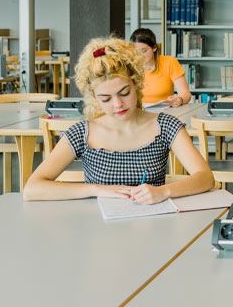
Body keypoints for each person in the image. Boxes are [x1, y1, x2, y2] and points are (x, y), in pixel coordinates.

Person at [23, 37, 214, 203]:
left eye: (124, 93)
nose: (118, 104)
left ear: (137, 83)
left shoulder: (165, 126)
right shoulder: (83, 132)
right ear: (94, 97)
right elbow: (32, 189)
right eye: (106, 99)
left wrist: (163, 192)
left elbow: (205, 177)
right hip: (99, 230)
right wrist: (94, 189)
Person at [130, 28, 191, 107]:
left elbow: (186, 95)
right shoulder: (130, 67)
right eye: (135, 52)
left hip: (164, 113)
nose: (139, 56)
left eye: (144, 51)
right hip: (138, 114)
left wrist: (180, 100)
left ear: (154, 48)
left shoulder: (169, 62)